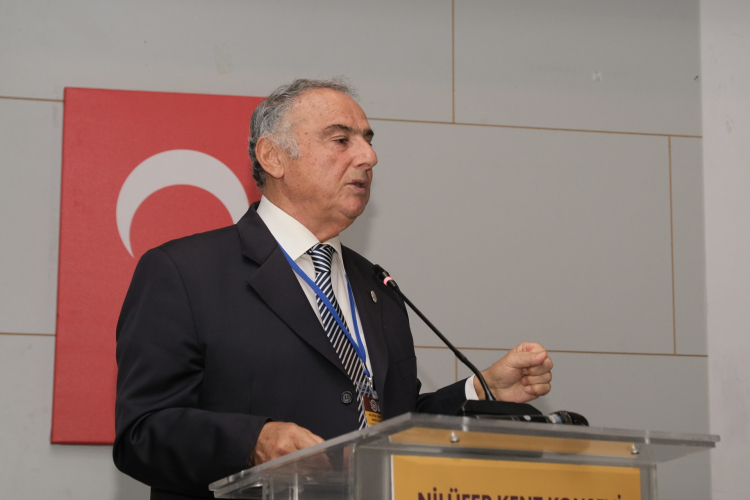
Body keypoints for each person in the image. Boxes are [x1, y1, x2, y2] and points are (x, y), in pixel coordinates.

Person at [113, 78, 553, 500]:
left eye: (368, 140)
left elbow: (390, 424)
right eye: (341, 140)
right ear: (273, 157)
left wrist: (481, 392)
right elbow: (142, 433)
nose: (369, 156)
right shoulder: (184, 273)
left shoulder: (378, 286)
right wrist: (253, 442)